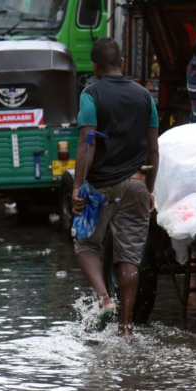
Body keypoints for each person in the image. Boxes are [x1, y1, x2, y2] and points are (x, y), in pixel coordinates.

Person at [72, 38, 159, 337]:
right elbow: (154, 150)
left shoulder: (90, 93)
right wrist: (150, 190)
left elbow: (87, 143)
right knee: (129, 257)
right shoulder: (145, 95)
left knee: (85, 243)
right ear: (122, 63)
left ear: (95, 68)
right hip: (136, 183)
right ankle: (126, 328)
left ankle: (105, 300)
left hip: (99, 189)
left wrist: (77, 186)